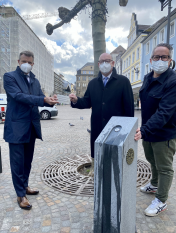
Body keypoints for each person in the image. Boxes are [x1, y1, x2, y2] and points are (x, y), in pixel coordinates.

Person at [3, 51, 58, 210]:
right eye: (24, 61)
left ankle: (25, 186)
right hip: (16, 128)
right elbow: (19, 96)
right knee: (17, 163)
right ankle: (21, 195)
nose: (27, 64)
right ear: (19, 61)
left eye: (30, 62)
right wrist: (42, 99)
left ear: (33, 64)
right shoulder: (10, 77)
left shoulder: (35, 80)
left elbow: (41, 97)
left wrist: (51, 102)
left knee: (27, 161)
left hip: (31, 127)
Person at [134, 43, 176, 217]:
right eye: (157, 57)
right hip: (149, 131)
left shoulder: (174, 82)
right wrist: (144, 129)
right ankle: (154, 184)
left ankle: (161, 200)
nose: (160, 60)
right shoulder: (147, 77)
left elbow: (164, 113)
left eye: (164, 57)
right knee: (151, 160)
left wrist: (144, 130)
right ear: (151, 59)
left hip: (164, 134)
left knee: (164, 167)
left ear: (170, 60)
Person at [69, 53, 134, 161]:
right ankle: (97, 175)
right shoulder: (93, 83)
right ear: (98, 64)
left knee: (115, 159)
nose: (104, 64)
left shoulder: (123, 82)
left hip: (116, 130)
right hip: (97, 128)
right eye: (102, 62)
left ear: (112, 63)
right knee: (98, 157)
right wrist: (76, 100)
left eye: (107, 61)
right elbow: (87, 101)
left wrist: (128, 131)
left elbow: (129, 108)